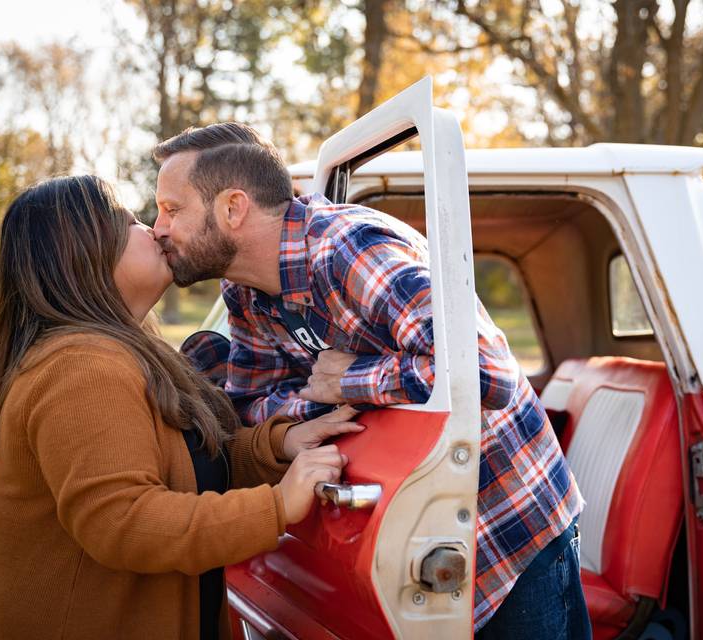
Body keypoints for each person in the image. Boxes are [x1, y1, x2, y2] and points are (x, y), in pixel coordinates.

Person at [152, 123, 591, 638]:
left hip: (505, 513)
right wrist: (308, 411)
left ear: (232, 208)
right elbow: (250, 405)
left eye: (171, 209)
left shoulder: (349, 250)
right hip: (413, 525)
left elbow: (485, 373)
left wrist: (349, 383)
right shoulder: (244, 292)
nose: (158, 227)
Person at [0, 175, 361, 640]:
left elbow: (184, 469)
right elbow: (125, 522)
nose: (154, 229)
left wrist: (280, 445)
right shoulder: (80, 368)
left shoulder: (122, 354)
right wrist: (277, 506)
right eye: (129, 221)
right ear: (86, 253)